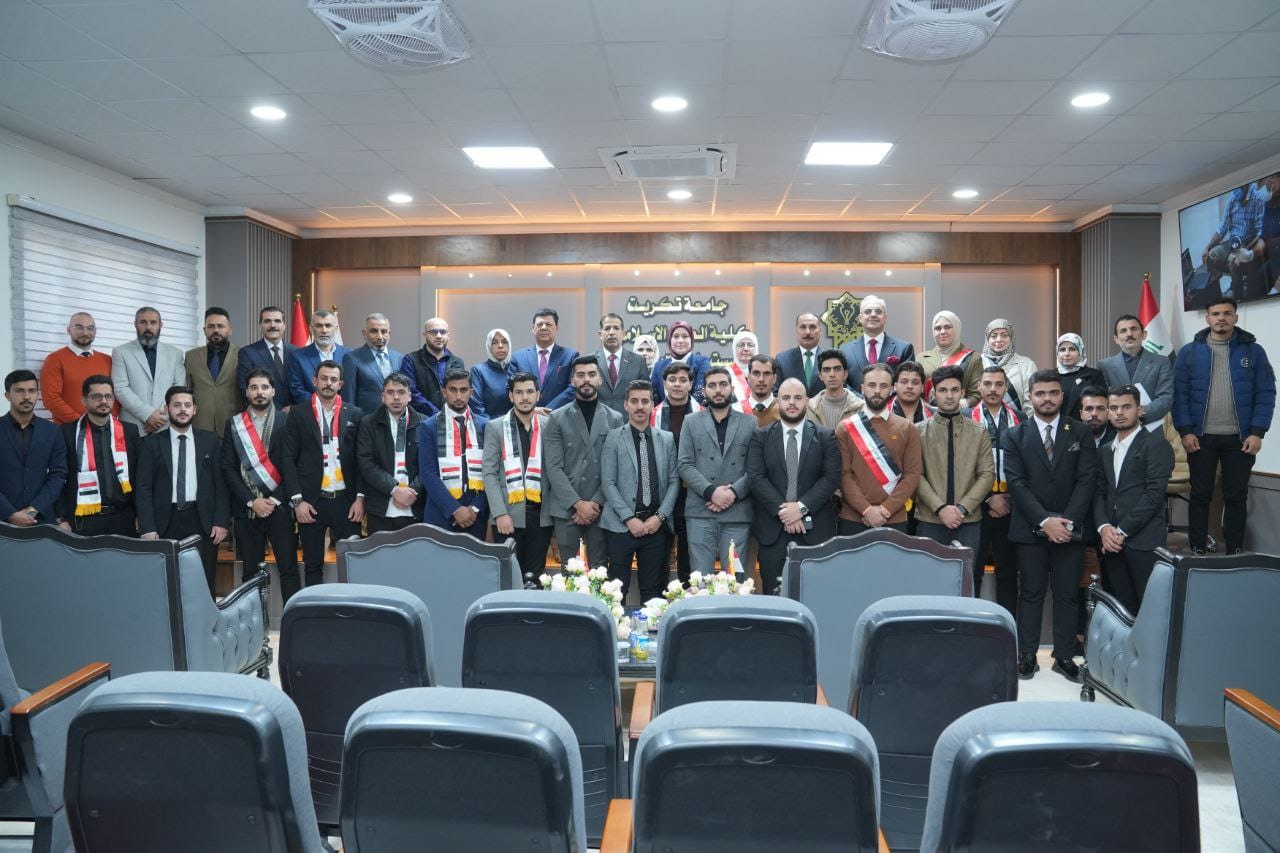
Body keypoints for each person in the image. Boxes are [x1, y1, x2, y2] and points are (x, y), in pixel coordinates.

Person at [1002, 369, 1098, 683]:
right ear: (1030, 397)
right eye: (1040, 393)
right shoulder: (1015, 435)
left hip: (1070, 529)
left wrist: (1065, 523)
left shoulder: (1080, 432)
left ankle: (1065, 657)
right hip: (1030, 528)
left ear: (1062, 396)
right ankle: (1027, 655)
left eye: (1053, 392)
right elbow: (1016, 483)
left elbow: (1087, 480)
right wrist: (1045, 521)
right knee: (1030, 592)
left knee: (1067, 594)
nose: (1047, 398)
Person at [1174, 297, 1275, 554]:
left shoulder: (1253, 351)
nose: (1221, 318)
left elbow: (1265, 393)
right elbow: (1179, 396)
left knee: (1236, 497)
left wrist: (1257, 433)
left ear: (1235, 318)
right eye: (1216, 313)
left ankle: (1234, 551)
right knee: (1200, 495)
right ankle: (1197, 548)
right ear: (1207, 318)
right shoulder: (1189, 352)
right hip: (1200, 438)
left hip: (1240, 439)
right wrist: (1185, 431)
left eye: (1227, 313)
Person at [748, 378, 841, 595]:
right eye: (786, 397)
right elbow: (756, 477)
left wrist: (800, 508)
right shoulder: (761, 436)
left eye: (798, 398)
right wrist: (785, 512)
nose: (792, 402)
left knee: (817, 595)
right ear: (777, 402)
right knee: (774, 596)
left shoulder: (826, 436)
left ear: (807, 401)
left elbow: (831, 478)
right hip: (773, 530)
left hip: (815, 530)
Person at [135, 385, 229, 594]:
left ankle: (204, 617)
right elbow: (143, 488)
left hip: (202, 520)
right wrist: (147, 527)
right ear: (167, 409)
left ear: (195, 409)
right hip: (164, 521)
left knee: (204, 580)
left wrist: (221, 521)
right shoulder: (151, 443)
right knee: (164, 583)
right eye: (177, 405)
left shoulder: (210, 441)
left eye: (187, 405)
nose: (182, 409)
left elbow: (221, 485)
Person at [282, 360, 363, 591]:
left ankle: (350, 609)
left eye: (333, 379)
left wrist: (360, 497)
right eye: (324, 378)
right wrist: (297, 501)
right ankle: (315, 610)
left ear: (341, 384)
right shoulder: (298, 412)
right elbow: (287, 458)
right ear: (315, 381)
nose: (328, 383)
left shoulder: (354, 413)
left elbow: (361, 460)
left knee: (352, 565)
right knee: (312, 564)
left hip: (346, 501)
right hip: (311, 501)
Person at [1094, 385, 1175, 614]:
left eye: (1126, 407)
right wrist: (1104, 527)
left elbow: (1153, 495)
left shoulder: (1156, 445)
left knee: (1149, 610)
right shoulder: (1105, 450)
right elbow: (1099, 492)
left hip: (1143, 541)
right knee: (1119, 609)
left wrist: (1122, 531)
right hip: (1111, 542)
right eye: (1114, 408)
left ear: (1139, 410)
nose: (1119, 412)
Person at [220, 369, 299, 599]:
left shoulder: (288, 421)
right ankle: (253, 620)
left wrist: (273, 500)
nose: (259, 392)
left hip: (280, 508)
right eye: (254, 387)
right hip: (247, 510)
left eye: (264, 387)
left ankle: (292, 618)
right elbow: (228, 467)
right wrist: (251, 500)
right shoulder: (235, 424)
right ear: (246, 392)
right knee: (250, 574)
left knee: (289, 569)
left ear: (273, 391)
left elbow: (293, 466)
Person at [600, 380, 680, 604]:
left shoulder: (666, 439)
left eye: (645, 401)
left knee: (652, 591)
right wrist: (629, 518)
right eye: (634, 401)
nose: (640, 406)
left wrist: (660, 517)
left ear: (652, 405)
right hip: (621, 526)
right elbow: (608, 483)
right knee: (616, 592)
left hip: (655, 526)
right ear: (625, 405)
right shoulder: (614, 437)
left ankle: (650, 628)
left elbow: (674, 481)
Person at [543, 355, 624, 570]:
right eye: (580, 375)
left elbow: (615, 467)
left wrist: (595, 503)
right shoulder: (556, 418)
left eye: (591, 374)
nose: (586, 379)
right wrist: (578, 504)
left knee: (600, 570)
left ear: (599, 379)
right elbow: (553, 467)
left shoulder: (615, 418)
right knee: (570, 571)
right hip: (567, 508)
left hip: (602, 507)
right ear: (573, 381)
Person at [676, 366, 754, 575]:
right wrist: (712, 492)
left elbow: (755, 468)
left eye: (723, 384)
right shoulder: (690, 422)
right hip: (700, 511)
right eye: (712, 385)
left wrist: (732, 493)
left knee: (736, 579)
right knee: (700, 578)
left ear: (732, 388)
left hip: (737, 512)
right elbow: (684, 464)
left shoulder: (750, 422)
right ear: (704, 391)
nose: (718, 390)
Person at [482, 372, 554, 580]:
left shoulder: (549, 425)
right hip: (507, 517)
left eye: (530, 392)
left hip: (541, 517)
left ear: (538, 395)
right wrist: (499, 514)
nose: (525, 397)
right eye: (519, 392)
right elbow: (489, 474)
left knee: (535, 578)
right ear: (511, 396)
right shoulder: (496, 427)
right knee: (508, 578)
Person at [914, 365, 994, 554]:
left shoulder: (978, 431)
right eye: (943, 390)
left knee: (966, 572)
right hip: (930, 519)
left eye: (954, 390)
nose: (949, 396)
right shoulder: (918, 431)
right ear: (933, 393)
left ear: (963, 392)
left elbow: (987, 474)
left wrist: (962, 509)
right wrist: (940, 508)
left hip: (968, 520)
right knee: (929, 571)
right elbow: (915, 475)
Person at [835, 364, 921, 535]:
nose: (877, 391)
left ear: (892, 389)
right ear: (862, 388)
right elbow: (843, 475)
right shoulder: (844, 428)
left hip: (894, 519)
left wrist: (886, 510)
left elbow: (912, 475)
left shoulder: (908, 428)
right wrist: (866, 510)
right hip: (852, 519)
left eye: (883, 386)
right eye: (872, 385)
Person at [56, 375, 140, 537]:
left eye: (108, 396)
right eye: (96, 396)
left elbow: (139, 477)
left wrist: (141, 514)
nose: (103, 401)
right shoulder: (67, 433)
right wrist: (61, 518)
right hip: (83, 520)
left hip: (124, 518)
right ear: (84, 400)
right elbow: (58, 476)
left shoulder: (129, 431)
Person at [973, 365, 1021, 614]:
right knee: (973, 571)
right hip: (976, 507)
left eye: (998, 384)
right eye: (988, 384)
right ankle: (970, 625)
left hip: (1011, 506)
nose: (993, 389)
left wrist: (1009, 497)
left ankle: (1007, 626)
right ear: (979, 386)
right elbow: (961, 466)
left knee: (1008, 573)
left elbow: (1026, 464)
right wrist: (989, 497)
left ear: (1006, 387)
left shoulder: (1019, 418)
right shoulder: (966, 417)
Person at [419, 369, 489, 539]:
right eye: (453, 390)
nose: (458, 396)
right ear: (444, 392)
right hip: (440, 514)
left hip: (475, 516)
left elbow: (491, 473)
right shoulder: (429, 426)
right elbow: (428, 474)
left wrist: (475, 508)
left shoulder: (485, 426)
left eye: (463, 390)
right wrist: (454, 509)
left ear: (471, 392)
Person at [355, 373, 424, 534]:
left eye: (401, 392)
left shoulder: (425, 423)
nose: (396, 397)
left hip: (416, 505)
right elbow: (366, 463)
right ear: (382, 396)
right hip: (380, 506)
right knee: (381, 551)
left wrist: (413, 492)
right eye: (390, 392)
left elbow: (429, 465)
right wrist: (394, 490)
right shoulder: (367, 424)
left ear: (409, 396)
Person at [652, 362, 701, 585]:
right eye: (672, 380)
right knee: (660, 552)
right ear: (664, 384)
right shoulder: (652, 414)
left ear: (691, 384)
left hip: (692, 493)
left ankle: (687, 595)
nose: (677, 384)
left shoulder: (703, 414)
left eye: (683, 380)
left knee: (688, 552)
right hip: (661, 492)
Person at [1, 370, 67, 527]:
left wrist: (32, 510)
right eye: (19, 391)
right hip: (2, 520)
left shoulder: (53, 431)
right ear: (7, 395)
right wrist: (9, 513)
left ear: (37, 394)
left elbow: (58, 475)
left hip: (41, 519)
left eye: (31, 391)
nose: (26, 396)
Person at [111, 306, 187, 434]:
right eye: (143, 322)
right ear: (135, 324)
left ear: (160, 325)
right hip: (133, 425)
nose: (148, 327)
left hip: (166, 425)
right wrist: (148, 414)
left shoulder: (175, 353)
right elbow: (120, 388)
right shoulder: (121, 352)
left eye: (153, 322)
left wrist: (161, 417)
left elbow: (179, 388)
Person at [40, 312, 117, 424]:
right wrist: (81, 423)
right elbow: (51, 399)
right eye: (79, 327)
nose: (85, 333)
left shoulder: (108, 360)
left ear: (95, 331)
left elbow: (116, 396)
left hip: (104, 427)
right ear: (68, 330)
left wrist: (106, 421)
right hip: (69, 429)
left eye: (90, 328)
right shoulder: (54, 360)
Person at [1098, 315, 1173, 426]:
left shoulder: (1162, 362)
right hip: (1117, 428)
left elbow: (1166, 398)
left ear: (1144, 334)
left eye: (1134, 329)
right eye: (1123, 331)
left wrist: (1138, 414)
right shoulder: (1105, 366)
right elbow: (1103, 400)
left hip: (1151, 427)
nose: (1129, 334)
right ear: (1116, 339)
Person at [185, 307, 243, 438]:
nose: (216, 330)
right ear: (204, 330)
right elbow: (187, 391)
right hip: (200, 424)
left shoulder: (242, 355)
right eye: (210, 326)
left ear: (230, 330)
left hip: (233, 424)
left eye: (220, 326)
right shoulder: (191, 356)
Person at [840, 295, 915, 392]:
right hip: (855, 401)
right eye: (868, 311)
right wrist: (859, 399)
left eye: (878, 311)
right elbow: (843, 382)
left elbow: (907, 382)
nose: (873, 315)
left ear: (885, 317)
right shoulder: (845, 350)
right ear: (860, 318)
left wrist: (886, 397)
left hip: (891, 401)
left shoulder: (904, 348)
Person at [510, 308, 578, 412]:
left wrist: (548, 410)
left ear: (557, 328)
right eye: (539, 324)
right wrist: (533, 409)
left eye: (548, 324)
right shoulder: (517, 357)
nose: (543, 328)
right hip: (527, 415)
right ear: (533, 328)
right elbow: (511, 389)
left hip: (560, 415)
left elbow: (573, 387)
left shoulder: (570, 356)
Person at [1202, 184, 1265, 296]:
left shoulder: (1258, 198)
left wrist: (1244, 251)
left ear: (1245, 188)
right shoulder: (1233, 198)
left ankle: (1238, 295)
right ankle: (1215, 297)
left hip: (1248, 243)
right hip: (1233, 242)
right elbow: (1223, 228)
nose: (1239, 202)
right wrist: (1208, 247)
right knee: (1211, 256)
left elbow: (1260, 232)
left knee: (1232, 260)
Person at [344, 313, 406, 415]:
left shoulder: (400, 358)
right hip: (366, 421)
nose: (380, 337)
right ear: (364, 334)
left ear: (389, 334)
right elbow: (349, 398)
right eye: (374, 331)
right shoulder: (352, 359)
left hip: (396, 419)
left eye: (384, 331)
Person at [918, 310, 982, 408]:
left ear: (957, 328)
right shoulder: (921, 358)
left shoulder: (973, 358)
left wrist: (955, 406)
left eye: (947, 327)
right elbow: (915, 390)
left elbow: (977, 395)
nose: (942, 332)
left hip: (960, 414)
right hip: (926, 413)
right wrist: (926, 408)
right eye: (937, 328)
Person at [236, 306, 296, 410]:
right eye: (267, 321)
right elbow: (244, 387)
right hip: (263, 413)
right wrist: (275, 411)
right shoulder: (247, 353)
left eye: (277, 321)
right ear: (260, 325)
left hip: (294, 413)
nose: (272, 325)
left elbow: (301, 385)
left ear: (284, 325)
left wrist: (294, 408)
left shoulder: (297, 352)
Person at [287, 310, 350, 406]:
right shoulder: (297, 356)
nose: (324, 330)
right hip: (310, 410)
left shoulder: (348, 355)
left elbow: (350, 388)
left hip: (342, 410)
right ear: (311, 329)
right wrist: (322, 404)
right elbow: (297, 389)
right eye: (319, 326)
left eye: (328, 326)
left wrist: (338, 406)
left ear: (336, 329)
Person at [402, 316, 463, 416]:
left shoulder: (457, 362)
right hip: (421, 419)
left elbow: (460, 393)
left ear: (448, 335)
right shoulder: (411, 360)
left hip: (452, 418)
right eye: (433, 332)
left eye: (443, 332)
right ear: (424, 335)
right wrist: (436, 414)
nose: (439, 336)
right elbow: (410, 392)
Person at [981, 319, 1037, 417]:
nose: (999, 339)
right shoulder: (977, 362)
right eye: (994, 336)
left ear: (1011, 338)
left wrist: (1027, 424)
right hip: (981, 423)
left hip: (1018, 423)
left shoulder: (1026, 364)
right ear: (987, 339)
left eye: (1004, 335)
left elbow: (1031, 402)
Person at [594, 313, 649, 413]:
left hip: (628, 420)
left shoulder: (638, 361)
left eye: (616, 328)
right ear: (600, 334)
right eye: (607, 328)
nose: (611, 332)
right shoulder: (591, 361)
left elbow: (646, 395)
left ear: (623, 334)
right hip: (598, 420)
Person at [651, 320, 710, 404]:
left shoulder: (702, 363)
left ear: (691, 340)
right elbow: (654, 397)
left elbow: (700, 394)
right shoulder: (659, 366)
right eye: (676, 336)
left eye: (685, 336)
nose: (680, 341)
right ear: (670, 340)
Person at [806, 348, 864, 428]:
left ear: (845, 374)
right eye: (827, 370)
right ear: (820, 376)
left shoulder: (860, 407)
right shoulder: (809, 408)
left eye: (837, 369)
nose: (832, 374)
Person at [1055, 333, 1105, 420]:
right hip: (1057, 426)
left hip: (1085, 425)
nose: (1067, 354)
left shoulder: (1094, 376)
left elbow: (1100, 405)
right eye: (1062, 350)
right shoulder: (1051, 376)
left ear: (1081, 352)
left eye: (1072, 349)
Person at [775, 312, 825, 397]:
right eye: (803, 327)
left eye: (812, 327)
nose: (807, 332)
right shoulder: (782, 360)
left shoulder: (830, 359)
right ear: (797, 331)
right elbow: (776, 392)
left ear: (820, 331)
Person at [470, 328, 515, 419]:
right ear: (489, 346)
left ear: (509, 345)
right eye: (495, 342)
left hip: (517, 424)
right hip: (489, 424)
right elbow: (477, 408)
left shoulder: (516, 369)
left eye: (504, 342)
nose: (500, 346)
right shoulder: (479, 371)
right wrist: (492, 425)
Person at [726, 330, 758, 413]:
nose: (746, 349)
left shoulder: (765, 372)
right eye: (741, 345)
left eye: (750, 345)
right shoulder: (725, 373)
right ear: (734, 349)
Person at [746, 354, 780, 427]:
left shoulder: (784, 410)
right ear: (748, 377)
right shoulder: (736, 410)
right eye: (756, 373)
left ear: (774, 378)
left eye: (767, 373)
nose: (761, 379)